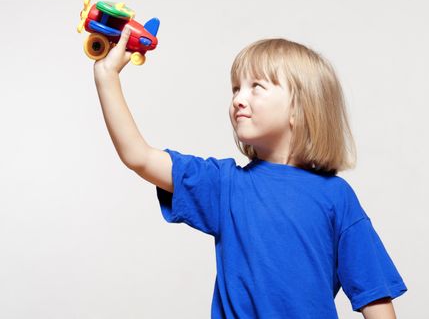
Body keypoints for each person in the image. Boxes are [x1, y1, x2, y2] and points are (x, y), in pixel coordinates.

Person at [93, 26, 408, 318]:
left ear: (300, 108)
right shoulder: (225, 184)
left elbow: (374, 296)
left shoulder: (336, 197)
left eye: (256, 87)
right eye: (235, 89)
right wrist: (107, 77)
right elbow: (140, 157)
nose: (238, 99)